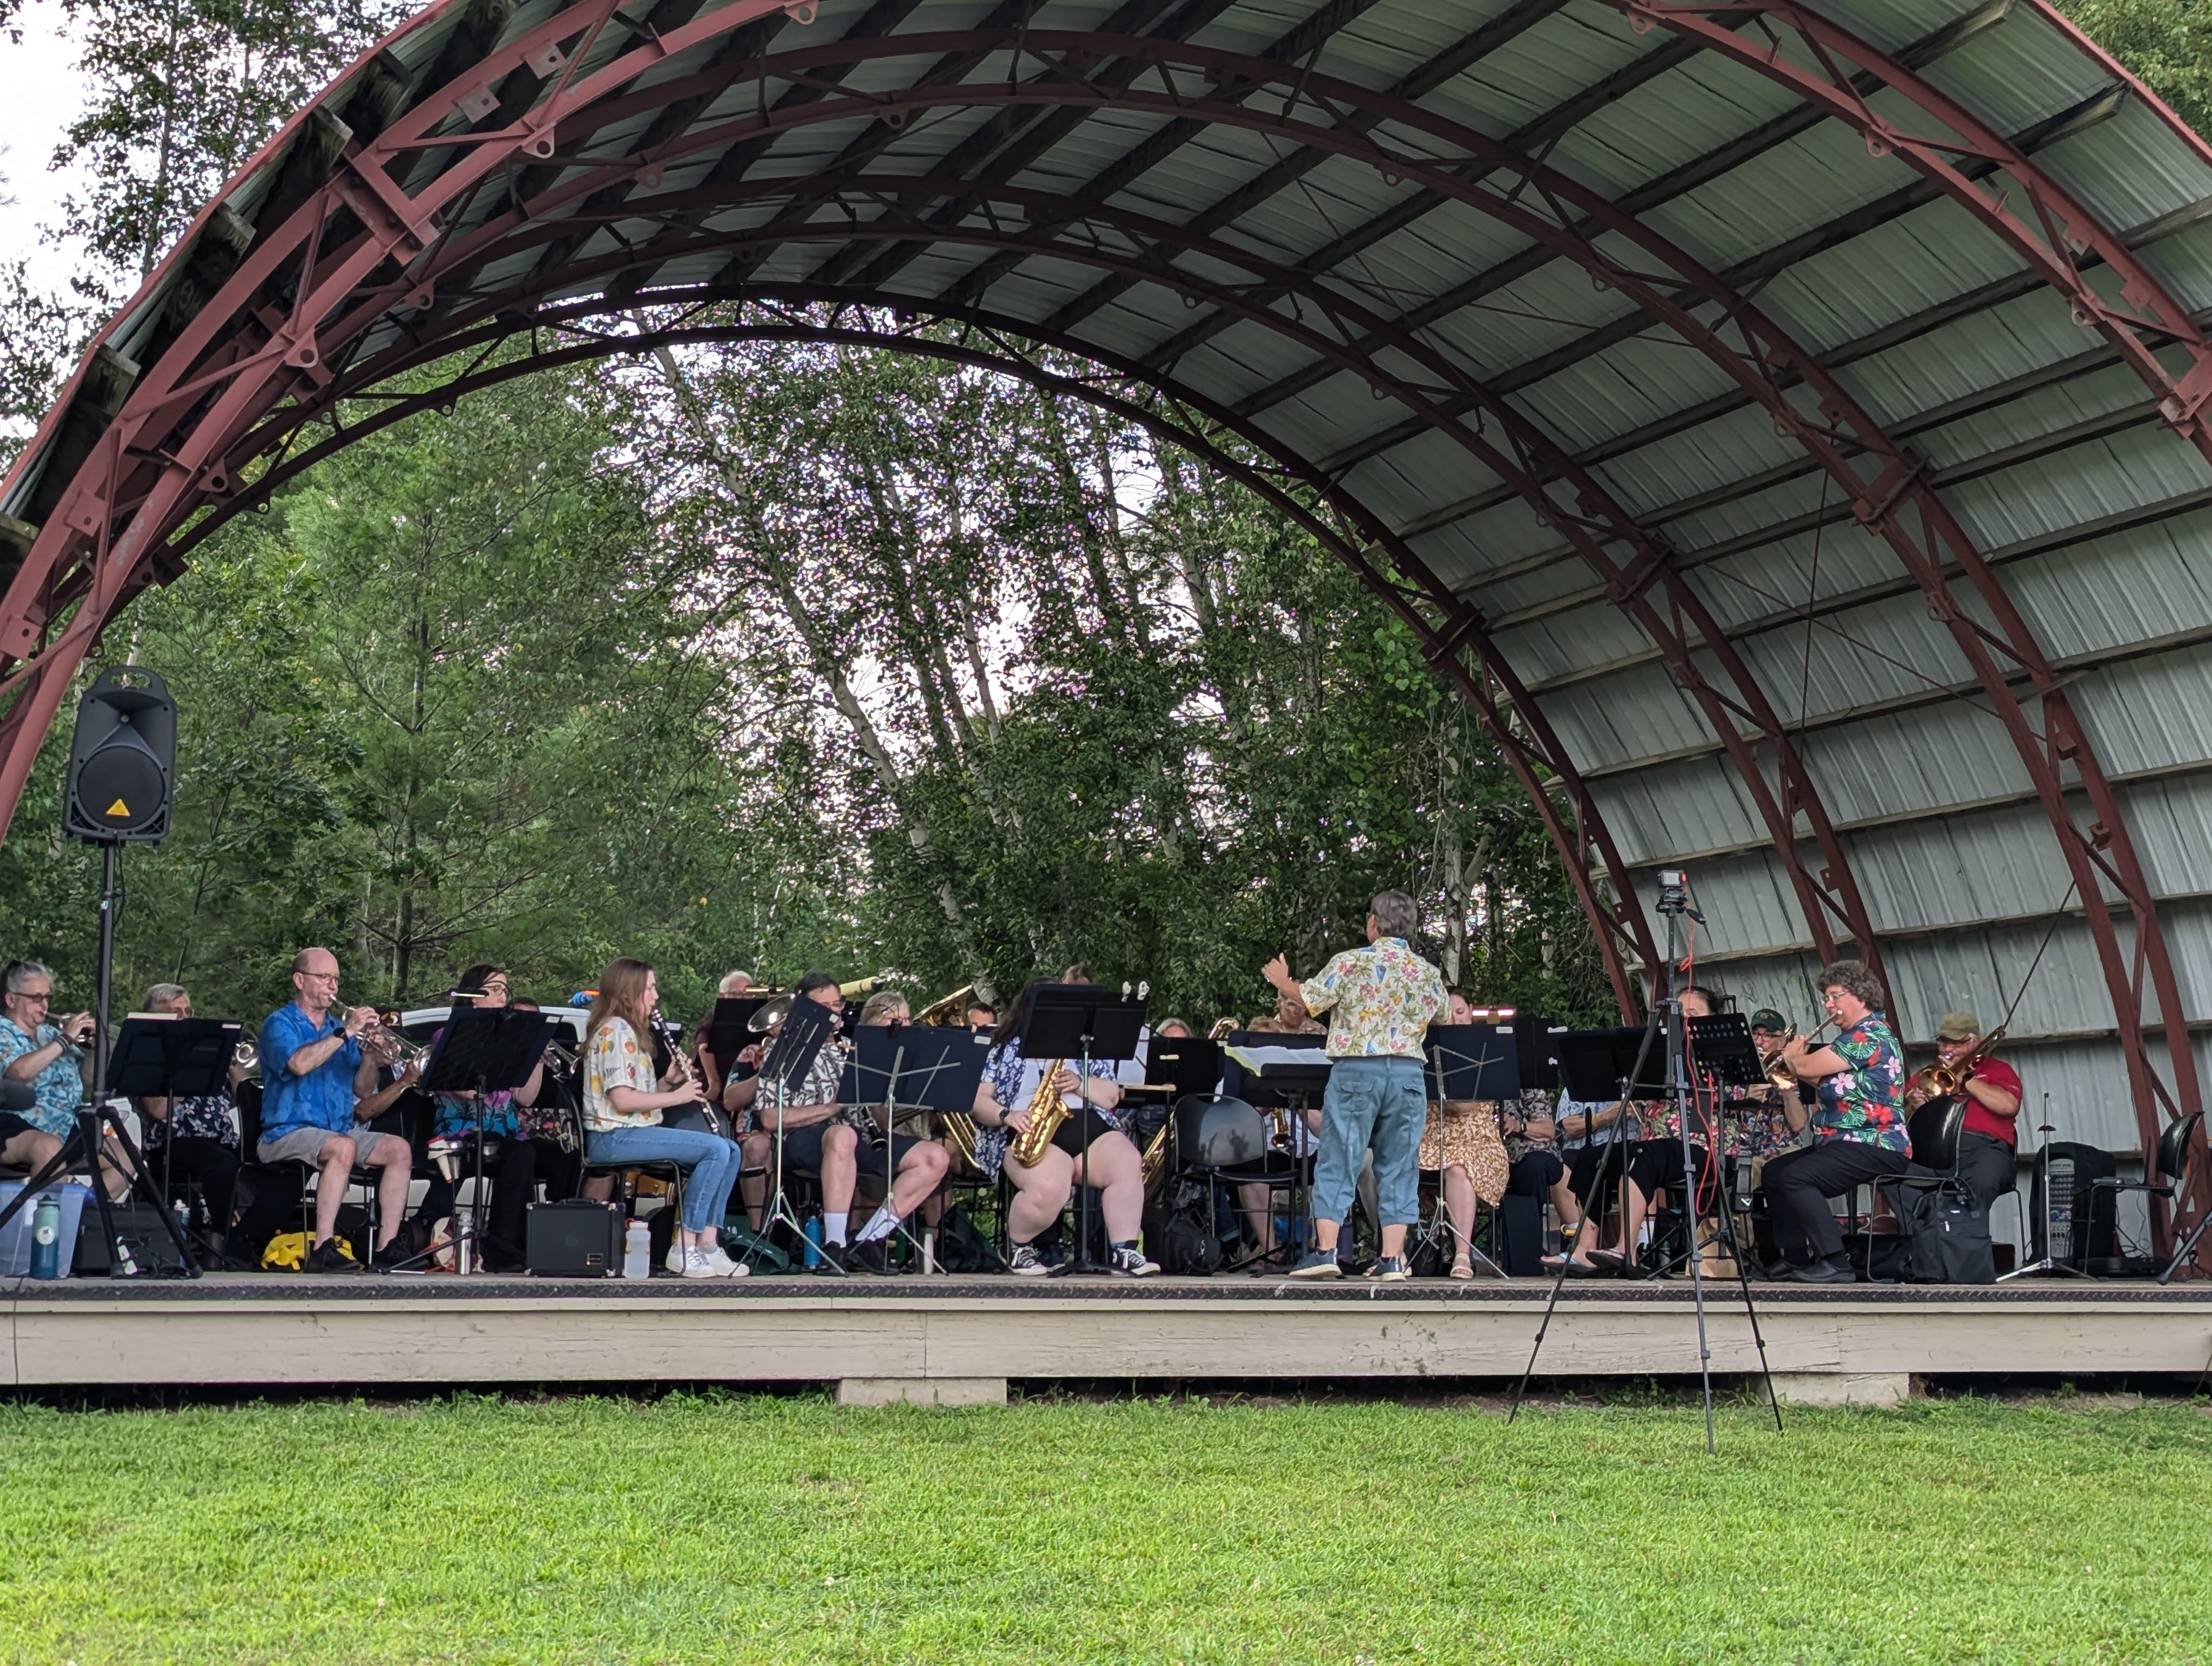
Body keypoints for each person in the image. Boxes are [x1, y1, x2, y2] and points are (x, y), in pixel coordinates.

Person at [1264, 890, 1449, 1281]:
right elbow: (1445, 1015)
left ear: (1372, 923)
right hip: (1407, 1075)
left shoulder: (1350, 963)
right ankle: (1391, 1259)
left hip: (1357, 1070)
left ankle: (1326, 1251)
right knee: (1400, 1165)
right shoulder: (1426, 971)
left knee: (1340, 1156)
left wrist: (1283, 981)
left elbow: (1311, 997)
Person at [969, 977, 1158, 1276]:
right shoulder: (1004, 1047)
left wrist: (1080, 1082)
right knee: (1050, 1185)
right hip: (1028, 1127)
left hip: (1085, 1122)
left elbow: (1111, 1095)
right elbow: (978, 1100)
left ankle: (1124, 1250)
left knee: (1128, 1163)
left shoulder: (1083, 1046)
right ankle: (1017, 1247)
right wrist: (1006, 1115)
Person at [580, 957, 746, 1278]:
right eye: (651, 988)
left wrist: (669, 1082)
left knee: (731, 1149)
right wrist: (678, 1096)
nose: (656, 997)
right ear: (630, 993)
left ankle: (709, 1244)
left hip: (631, 1131)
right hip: (613, 1138)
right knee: (716, 1150)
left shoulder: (631, 1033)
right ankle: (684, 1246)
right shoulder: (616, 1031)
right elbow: (622, 1100)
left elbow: (637, 1097)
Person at [255, 949, 414, 1271]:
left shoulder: (338, 1030)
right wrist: (347, 1033)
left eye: (336, 979)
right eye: (324, 977)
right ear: (300, 980)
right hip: (286, 1131)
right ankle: (323, 1247)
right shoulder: (280, 1024)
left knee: (399, 1149)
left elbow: (361, 1090)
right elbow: (299, 1065)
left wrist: (371, 1059)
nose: (333, 986)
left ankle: (386, 1247)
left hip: (339, 1131)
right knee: (343, 1147)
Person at [1766, 959, 1910, 1283]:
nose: (1829, 1005)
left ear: (1860, 996)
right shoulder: (1851, 1040)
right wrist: (1793, 1067)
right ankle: (1796, 1258)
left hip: (1875, 1143)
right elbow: (1826, 1083)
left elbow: (1804, 1069)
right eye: (1826, 998)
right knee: (1775, 1173)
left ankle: (1835, 1261)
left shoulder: (1867, 1036)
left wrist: (1791, 1056)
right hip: (1843, 1142)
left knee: (1797, 1178)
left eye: (1835, 996)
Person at [428, 965, 577, 1271]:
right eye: (494, 989)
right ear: (472, 996)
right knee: (521, 1154)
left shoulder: (509, 1038)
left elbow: (525, 1098)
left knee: (563, 1156)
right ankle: (503, 1250)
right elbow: (470, 1092)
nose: (502, 996)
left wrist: (535, 1060)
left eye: (504, 989)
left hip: (506, 1133)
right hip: (463, 1132)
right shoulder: (448, 1035)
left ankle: (555, 1240)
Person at [843, 988, 953, 1271]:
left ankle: (872, 1239)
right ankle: (854, 1241)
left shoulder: (913, 1056)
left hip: (899, 1136)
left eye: (906, 1020)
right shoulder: (852, 1051)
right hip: (854, 1137)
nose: (902, 1027)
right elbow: (879, 1117)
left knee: (939, 1157)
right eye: (892, 1020)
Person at [134, 982, 250, 1248]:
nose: (186, 1018)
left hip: (220, 1138)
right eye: (177, 1012)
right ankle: (226, 1240)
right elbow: (156, 1109)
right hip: (173, 1141)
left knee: (263, 1161)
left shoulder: (205, 1049)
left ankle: (253, 1234)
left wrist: (230, 1064)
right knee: (220, 1163)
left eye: (188, 1011)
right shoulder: (148, 1052)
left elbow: (243, 1097)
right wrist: (193, 1073)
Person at [0, 960, 120, 1194]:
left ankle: (84, 1213)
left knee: (125, 1155)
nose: (44, 1005)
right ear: (11, 1000)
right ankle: (52, 1224)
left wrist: (96, 1047)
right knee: (49, 1149)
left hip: (64, 1126)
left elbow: (86, 1078)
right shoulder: (4, 1031)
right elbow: (18, 1073)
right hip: (12, 1123)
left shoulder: (51, 1033)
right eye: (36, 998)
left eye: (47, 997)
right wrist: (64, 1041)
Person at [1419, 991, 1510, 1281]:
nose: (1455, 1019)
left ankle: (1462, 1254)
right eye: (1447, 1013)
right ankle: (1391, 1253)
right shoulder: (1423, 1047)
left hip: (1478, 1142)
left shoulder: (1487, 1047)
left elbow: (1464, 1106)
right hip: (1430, 1138)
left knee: (1458, 1166)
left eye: (1460, 1011)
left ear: (1471, 1010)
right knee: (1385, 1161)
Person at [1905, 1010, 2021, 1208]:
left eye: (1957, 1043)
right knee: (1888, 1171)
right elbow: (1900, 1119)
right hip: (1932, 1153)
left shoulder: (1998, 1070)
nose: (1948, 1049)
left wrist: (1966, 1080)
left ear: (1977, 1043)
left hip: (1984, 1150)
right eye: (1943, 1042)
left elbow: (2009, 1106)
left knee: (1982, 1180)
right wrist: (1915, 1108)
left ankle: (1964, 1234)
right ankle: (1925, 1227)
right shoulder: (1928, 1074)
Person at [1249, 988, 1325, 1036]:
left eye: (1303, 1007)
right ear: (1279, 1003)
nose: (1297, 1011)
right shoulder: (1265, 1030)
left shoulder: (1319, 1031)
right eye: (1292, 1005)